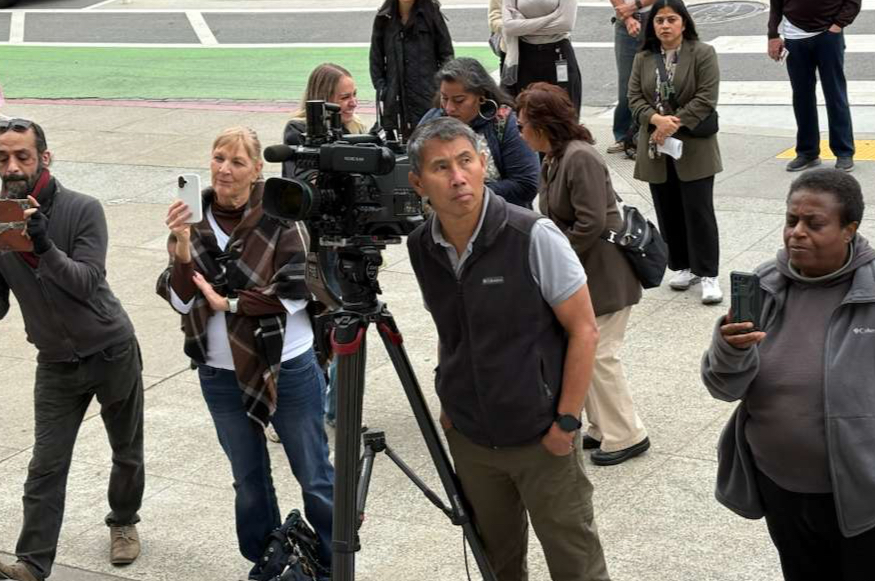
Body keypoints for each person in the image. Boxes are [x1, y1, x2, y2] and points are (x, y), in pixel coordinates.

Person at [406, 116, 610, 581]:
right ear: (418, 183)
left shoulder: (532, 235)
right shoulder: (422, 245)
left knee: (575, 564)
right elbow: (449, 327)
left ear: (484, 164)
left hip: (541, 436)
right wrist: (449, 405)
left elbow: (584, 330)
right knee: (497, 563)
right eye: (441, 167)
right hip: (471, 439)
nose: (458, 177)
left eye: (465, 161)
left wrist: (566, 423)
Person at [156, 127, 334, 580]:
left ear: (257, 169)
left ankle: (336, 561)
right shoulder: (191, 220)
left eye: (237, 162)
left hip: (287, 365)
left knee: (314, 474)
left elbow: (298, 289)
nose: (224, 169)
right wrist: (181, 250)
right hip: (219, 372)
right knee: (248, 479)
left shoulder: (280, 214)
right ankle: (268, 560)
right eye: (219, 158)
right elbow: (182, 300)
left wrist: (233, 303)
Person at [701, 169, 875, 581]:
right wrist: (730, 349)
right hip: (780, 487)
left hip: (862, 494)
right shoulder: (764, 286)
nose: (797, 232)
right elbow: (723, 388)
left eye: (814, 223)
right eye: (791, 220)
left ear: (849, 229)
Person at [0, 119, 144, 581]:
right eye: (2, 158)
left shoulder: (82, 209)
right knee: (46, 463)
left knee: (126, 451)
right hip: (56, 362)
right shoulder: (0, 221)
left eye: (22, 156)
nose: (12, 167)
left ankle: (123, 520)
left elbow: (86, 282)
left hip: (111, 349)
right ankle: (32, 563)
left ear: (44, 158)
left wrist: (43, 245)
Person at [516, 82, 649, 466]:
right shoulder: (556, 157)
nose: (520, 133)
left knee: (600, 355)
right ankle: (603, 427)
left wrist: (555, 257)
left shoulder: (579, 157)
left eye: (523, 125)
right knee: (586, 350)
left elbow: (591, 223)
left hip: (605, 273)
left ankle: (628, 434)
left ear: (543, 125)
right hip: (586, 272)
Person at [627, 0, 723, 304]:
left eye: (671, 19)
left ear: (684, 22)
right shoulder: (643, 57)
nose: (665, 26)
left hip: (693, 145)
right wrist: (655, 120)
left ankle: (708, 273)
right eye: (659, 21)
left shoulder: (703, 53)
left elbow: (706, 98)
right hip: (656, 146)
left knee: (699, 211)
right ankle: (682, 265)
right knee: (667, 208)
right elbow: (633, 98)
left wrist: (671, 124)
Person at [419, 57, 540, 209]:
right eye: (444, 98)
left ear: (481, 96)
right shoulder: (431, 122)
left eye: (459, 100)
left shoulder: (505, 124)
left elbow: (526, 184)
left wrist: (466, 193)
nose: (449, 108)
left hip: (500, 217)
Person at [768, 0, 860, 173]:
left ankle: (844, 152)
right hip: (794, 39)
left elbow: (853, 2)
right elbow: (776, 4)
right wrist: (772, 34)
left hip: (828, 35)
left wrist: (838, 25)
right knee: (802, 97)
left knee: (835, 94)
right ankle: (807, 152)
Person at [370, 0, 454, 140]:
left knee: (431, 140)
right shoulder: (384, 17)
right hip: (396, 100)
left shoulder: (431, 12)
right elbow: (376, 60)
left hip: (428, 97)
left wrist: (440, 89)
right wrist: (384, 90)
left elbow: (446, 54)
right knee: (399, 146)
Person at [282, 62, 368, 180]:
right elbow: (304, 178)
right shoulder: (298, 129)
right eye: (345, 97)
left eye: (354, 95)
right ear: (323, 99)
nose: (354, 103)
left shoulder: (357, 126)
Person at [501, 0, 582, 114]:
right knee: (526, 111)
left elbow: (565, 24)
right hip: (525, 55)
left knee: (564, 110)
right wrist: (552, 17)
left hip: (558, 53)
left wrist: (524, 27)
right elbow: (509, 27)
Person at [607, 0, 655, 155]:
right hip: (624, 21)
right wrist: (627, 17)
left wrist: (634, 6)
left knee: (654, 82)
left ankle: (648, 134)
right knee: (626, 86)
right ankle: (624, 136)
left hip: (656, 17)